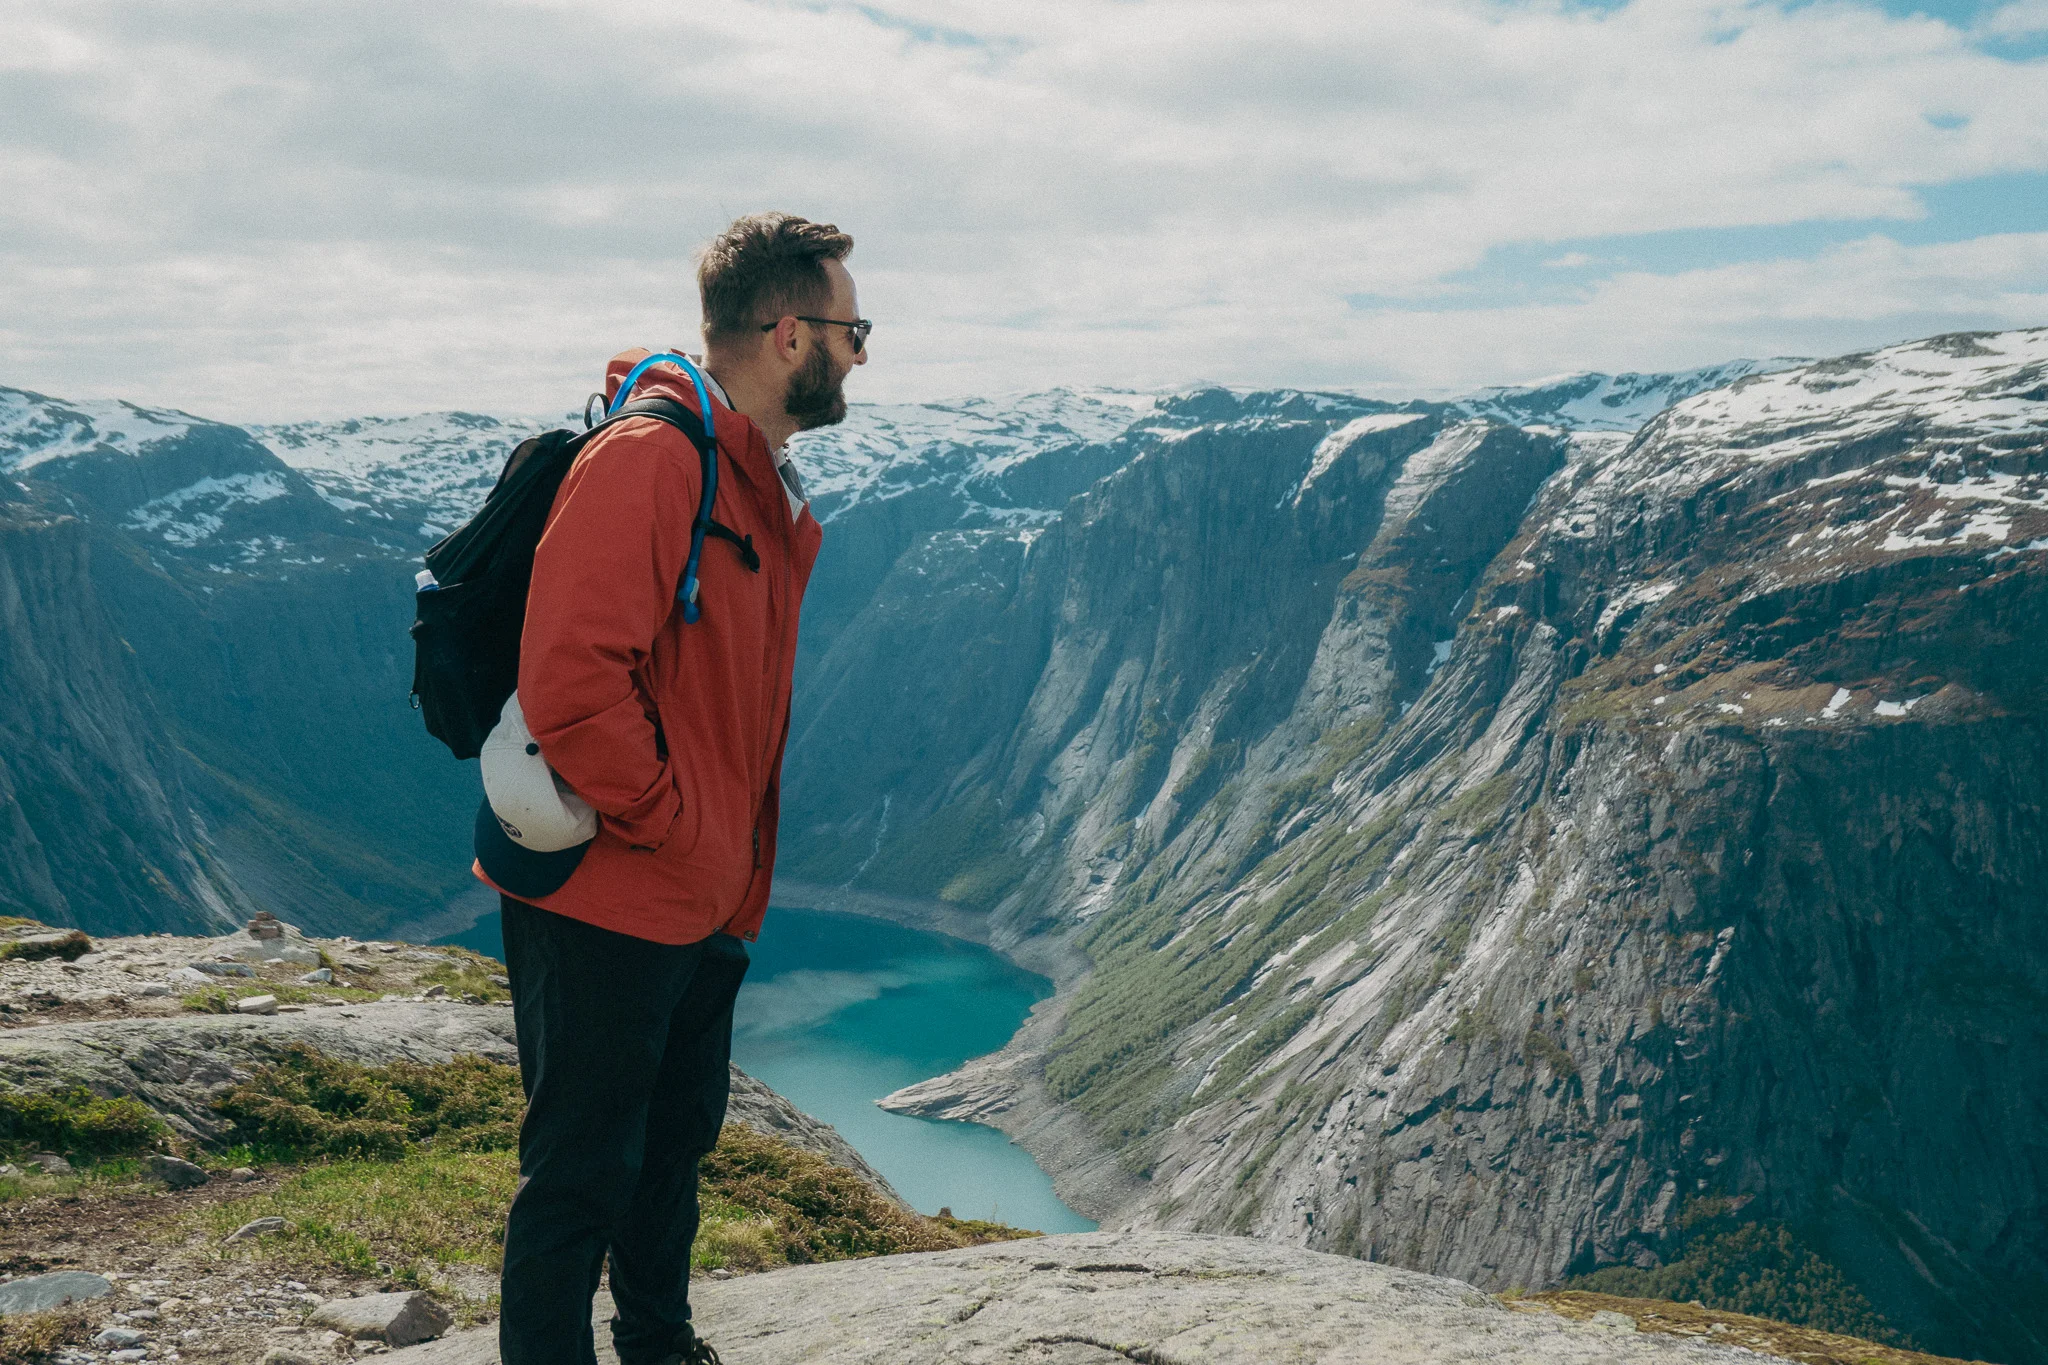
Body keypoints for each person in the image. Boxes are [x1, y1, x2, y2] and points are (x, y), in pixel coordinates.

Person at [477, 212, 866, 1365]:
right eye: (852, 330)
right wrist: (675, 824)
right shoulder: (654, 461)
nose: (861, 356)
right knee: (579, 1175)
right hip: (608, 890)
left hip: (702, 896)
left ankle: (660, 1345)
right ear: (787, 332)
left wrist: (712, 857)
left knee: (669, 1151)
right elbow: (569, 684)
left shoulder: (752, 482)